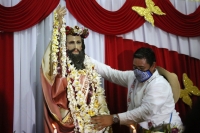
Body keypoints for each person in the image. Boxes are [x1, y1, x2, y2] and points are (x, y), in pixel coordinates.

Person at [40, 6, 110, 133]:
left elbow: (98, 93)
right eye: (71, 43)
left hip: (92, 120)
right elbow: (51, 57)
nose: (76, 47)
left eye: (78, 43)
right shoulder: (60, 66)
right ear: (65, 45)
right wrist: (58, 26)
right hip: (71, 121)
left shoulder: (89, 64)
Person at [91, 47, 183, 132]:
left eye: (142, 68)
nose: (137, 72)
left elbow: (145, 111)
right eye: (135, 67)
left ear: (153, 66)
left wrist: (114, 118)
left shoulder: (159, 84)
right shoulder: (133, 76)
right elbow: (111, 74)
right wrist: (87, 60)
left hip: (166, 128)